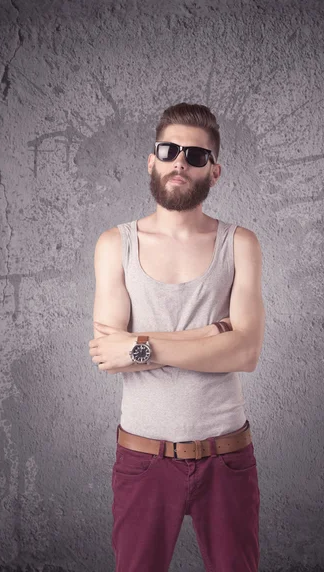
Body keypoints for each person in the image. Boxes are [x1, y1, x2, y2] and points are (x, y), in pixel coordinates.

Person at [88, 102, 266, 571]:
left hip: (226, 456)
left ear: (215, 170)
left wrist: (146, 344)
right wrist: (212, 334)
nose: (180, 162)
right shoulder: (115, 245)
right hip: (143, 458)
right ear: (152, 160)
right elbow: (112, 356)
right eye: (169, 150)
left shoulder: (240, 243)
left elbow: (246, 352)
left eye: (195, 155)